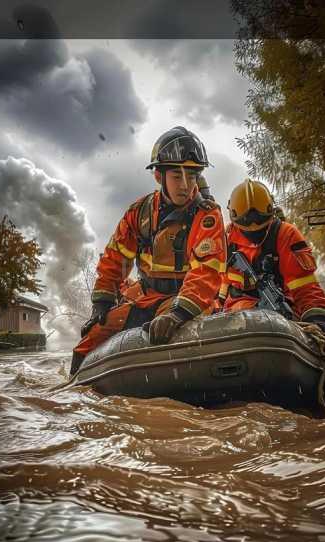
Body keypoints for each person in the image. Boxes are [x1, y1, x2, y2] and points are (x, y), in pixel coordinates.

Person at [69, 126, 226, 375]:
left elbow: (207, 272)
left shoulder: (207, 215)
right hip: (145, 295)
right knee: (88, 343)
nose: (185, 185)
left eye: (193, 176)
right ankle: (74, 396)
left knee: (172, 339)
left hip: (186, 300)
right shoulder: (139, 212)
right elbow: (114, 259)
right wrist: (101, 303)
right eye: (176, 175)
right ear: (158, 176)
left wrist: (177, 314)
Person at [217, 178, 325, 329]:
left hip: (283, 316)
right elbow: (217, 282)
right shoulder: (226, 239)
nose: (254, 234)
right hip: (234, 317)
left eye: (261, 229)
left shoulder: (285, 234)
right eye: (246, 231)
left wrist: (319, 322)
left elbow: (305, 287)